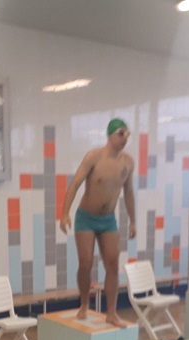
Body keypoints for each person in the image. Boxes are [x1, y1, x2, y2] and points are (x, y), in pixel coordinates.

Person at [60, 118, 136, 326]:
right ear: (110, 135)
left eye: (127, 134)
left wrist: (133, 221)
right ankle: (84, 303)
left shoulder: (128, 162)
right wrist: (65, 214)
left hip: (108, 220)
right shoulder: (94, 157)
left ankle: (111, 312)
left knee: (113, 264)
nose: (125, 138)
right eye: (121, 134)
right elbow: (75, 185)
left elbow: (129, 192)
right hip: (86, 217)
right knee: (86, 263)